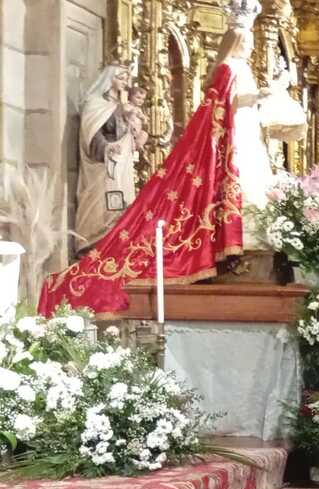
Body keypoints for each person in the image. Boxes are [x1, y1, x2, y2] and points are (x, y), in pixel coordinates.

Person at [39, 2, 295, 315]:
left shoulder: (242, 69)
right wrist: (261, 96)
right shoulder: (229, 68)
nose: (252, 45)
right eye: (248, 40)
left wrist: (267, 98)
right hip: (230, 133)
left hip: (244, 130)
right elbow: (226, 99)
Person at [74, 65, 138, 252]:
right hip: (101, 164)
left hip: (120, 165)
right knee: (101, 204)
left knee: (118, 205)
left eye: (126, 79)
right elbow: (91, 133)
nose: (125, 82)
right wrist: (106, 148)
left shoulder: (122, 106)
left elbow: (127, 134)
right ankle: (93, 244)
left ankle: (113, 245)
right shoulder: (95, 103)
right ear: (110, 79)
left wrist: (133, 131)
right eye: (121, 77)